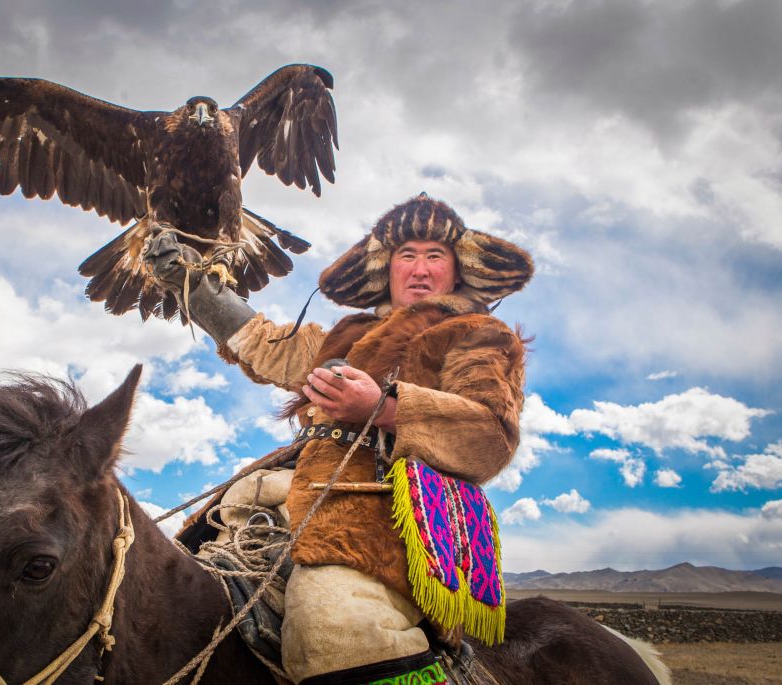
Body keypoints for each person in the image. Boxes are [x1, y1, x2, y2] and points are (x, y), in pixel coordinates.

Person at [146, 193, 533, 685]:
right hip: (276, 499)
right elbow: (268, 344)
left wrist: (384, 407)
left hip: (386, 516)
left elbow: (491, 434)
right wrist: (194, 287)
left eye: (434, 255)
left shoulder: (479, 334)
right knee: (159, 601)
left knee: (331, 626)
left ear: (457, 270)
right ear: (386, 269)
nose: (419, 268)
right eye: (406, 255)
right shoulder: (346, 335)